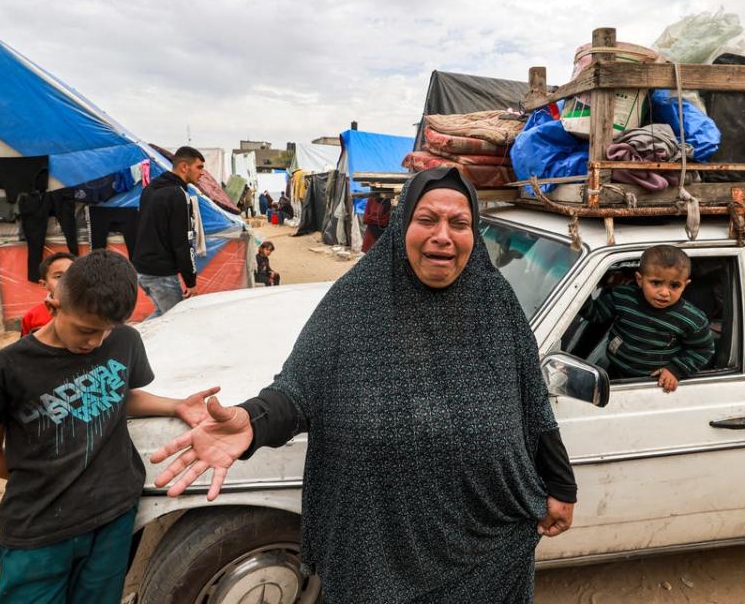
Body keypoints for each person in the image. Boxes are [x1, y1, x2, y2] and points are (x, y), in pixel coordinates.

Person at [151, 166, 576, 603]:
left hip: (486, 547)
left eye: (460, 223)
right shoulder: (357, 301)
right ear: (402, 224)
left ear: (474, 231)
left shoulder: (497, 304)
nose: (443, 236)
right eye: (427, 219)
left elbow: (532, 405)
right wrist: (253, 421)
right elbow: (298, 390)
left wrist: (561, 486)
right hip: (376, 553)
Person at [0, 250, 219, 604]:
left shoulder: (125, 341)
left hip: (114, 515)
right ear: (53, 305)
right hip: (40, 529)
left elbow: (119, 394)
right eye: (85, 330)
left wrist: (175, 405)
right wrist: (47, 479)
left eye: (107, 331)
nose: (95, 342)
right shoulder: (4, 370)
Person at [579, 245, 714, 392]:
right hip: (614, 371)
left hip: (654, 383)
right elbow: (596, 314)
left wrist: (676, 369)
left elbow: (703, 349)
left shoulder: (692, 319)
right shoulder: (622, 297)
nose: (664, 292)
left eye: (674, 285)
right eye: (656, 283)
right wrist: (578, 293)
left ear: (685, 285)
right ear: (639, 280)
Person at [131, 146, 204, 319]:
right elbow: (183, 242)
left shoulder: (150, 189)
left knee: (162, 315)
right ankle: (132, 344)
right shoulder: (178, 195)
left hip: (141, 268)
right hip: (160, 273)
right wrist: (190, 280)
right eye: (199, 167)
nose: (202, 173)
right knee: (176, 320)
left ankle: (135, 342)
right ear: (184, 167)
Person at [20, 251, 76, 336]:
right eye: (59, 276)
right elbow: (27, 347)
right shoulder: (32, 317)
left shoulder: (93, 310)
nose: (67, 280)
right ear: (44, 284)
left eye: (72, 274)